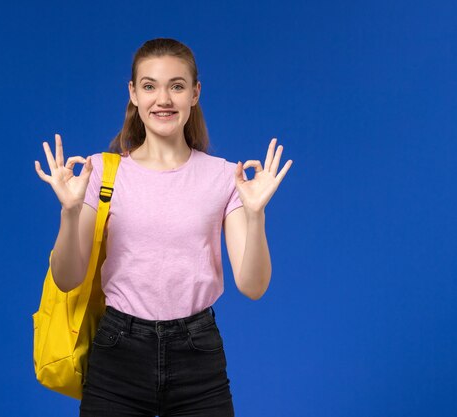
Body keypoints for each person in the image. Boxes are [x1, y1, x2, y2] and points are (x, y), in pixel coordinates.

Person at [34, 38, 292, 417]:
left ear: (194, 93)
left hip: (198, 354)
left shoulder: (224, 177)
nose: (164, 99)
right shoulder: (100, 174)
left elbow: (253, 287)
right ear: (134, 94)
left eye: (177, 85)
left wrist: (255, 215)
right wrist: (69, 213)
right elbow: (67, 277)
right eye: (150, 86)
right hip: (117, 350)